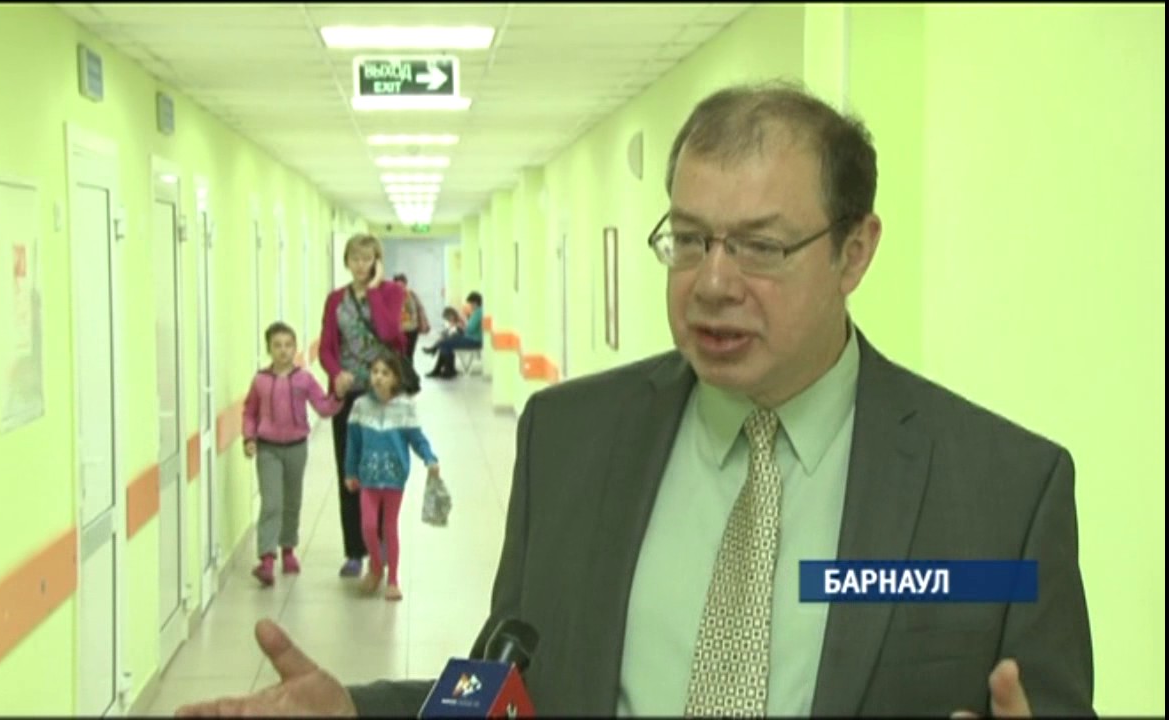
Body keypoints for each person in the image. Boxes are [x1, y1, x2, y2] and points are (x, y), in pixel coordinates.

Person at [177, 82, 1093, 718]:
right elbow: (510, 693)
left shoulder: (1003, 494)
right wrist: (358, 712)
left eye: (761, 247)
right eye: (689, 240)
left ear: (854, 252)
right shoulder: (570, 439)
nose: (713, 283)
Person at [318, 234, 407, 579]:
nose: (360, 265)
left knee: (380, 469)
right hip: (349, 394)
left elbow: (389, 333)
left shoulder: (391, 293)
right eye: (355, 258)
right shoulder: (335, 300)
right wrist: (335, 373)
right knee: (351, 469)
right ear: (346, 261)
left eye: (367, 259)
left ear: (377, 262)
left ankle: (381, 545)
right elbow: (327, 346)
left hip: (380, 395)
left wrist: (372, 291)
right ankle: (354, 550)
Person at [241, 321, 351, 586]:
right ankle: (267, 559)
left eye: (288, 345)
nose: (283, 350)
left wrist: (338, 396)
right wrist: (249, 438)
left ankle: (288, 549)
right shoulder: (260, 380)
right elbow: (249, 412)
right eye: (277, 345)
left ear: (295, 348)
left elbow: (323, 407)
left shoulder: (304, 379)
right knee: (271, 502)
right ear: (269, 349)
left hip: (296, 447)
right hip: (268, 448)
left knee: (292, 501)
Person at [344, 352, 441, 602]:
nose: (378, 377)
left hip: (394, 479)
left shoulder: (405, 407)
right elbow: (353, 443)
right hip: (368, 478)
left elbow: (417, 439)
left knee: (389, 528)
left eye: (385, 373)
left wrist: (429, 458)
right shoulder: (360, 406)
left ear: (396, 378)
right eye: (375, 372)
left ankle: (393, 580)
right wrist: (350, 472)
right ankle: (377, 566)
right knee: (368, 526)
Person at [423, 291, 484, 376]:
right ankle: (447, 370)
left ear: (475, 303)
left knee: (445, 343)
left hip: (473, 341)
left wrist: (463, 327)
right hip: (471, 339)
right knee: (445, 343)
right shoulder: (479, 312)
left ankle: (443, 370)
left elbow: (470, 329)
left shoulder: (478, 312)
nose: (470, 306)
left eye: (470, 304)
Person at [393, 273, 431, 366]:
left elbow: (418, 310)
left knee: (409, 354)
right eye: (397, 285)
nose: (400, 287)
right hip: (398, 330)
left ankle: (409, 373)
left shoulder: (411, 295)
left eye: (402, 285)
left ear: (405, 284)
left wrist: (422, 324)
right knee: (399, 355)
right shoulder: (392, 297)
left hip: (411, 329)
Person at [425, 307, 465, 379]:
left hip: (460, 339)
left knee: (444, 342)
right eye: (447, 319)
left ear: (452, 315)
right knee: (443, 345)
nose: (449, 320)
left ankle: (434, 351)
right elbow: (451, 331)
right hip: (453, 339)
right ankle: (446, 370)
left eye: (449, 318)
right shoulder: (452, 322)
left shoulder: (459, 321)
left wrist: (448, 332)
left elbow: (460, 331)